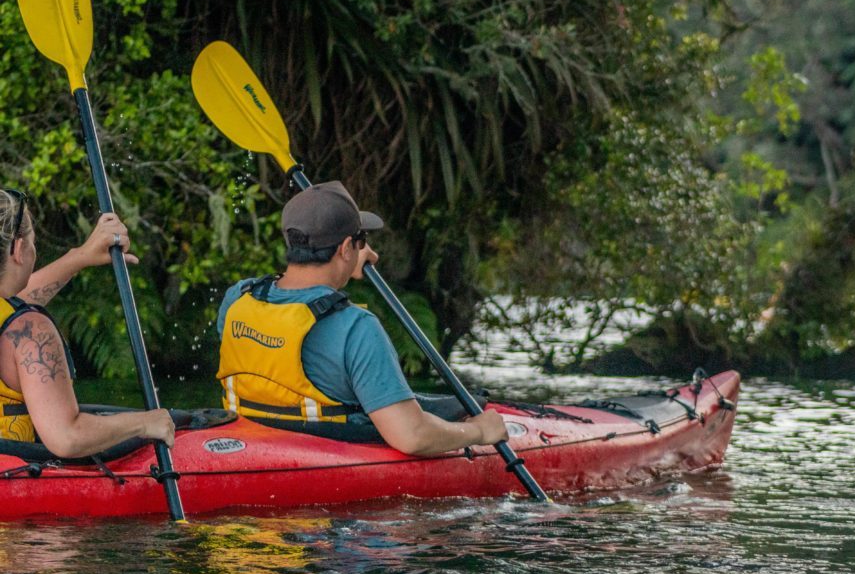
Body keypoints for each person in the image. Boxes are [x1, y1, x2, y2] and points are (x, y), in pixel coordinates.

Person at [216, 181, 508, 456]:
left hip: (250, 443)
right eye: (361, 241)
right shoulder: (356, 327)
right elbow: (411, 436)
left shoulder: (239, 298)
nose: (370, 252)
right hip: (324, 460)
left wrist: (345, 262)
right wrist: (477, 432)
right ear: (345, 248)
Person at [0, 188, 174, 456]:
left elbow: (13, 301)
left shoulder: (11, 316)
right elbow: (66, 437)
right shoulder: (30, 330)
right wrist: (146, 423)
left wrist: (80, 257)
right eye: (33, 242)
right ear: (19, 249)